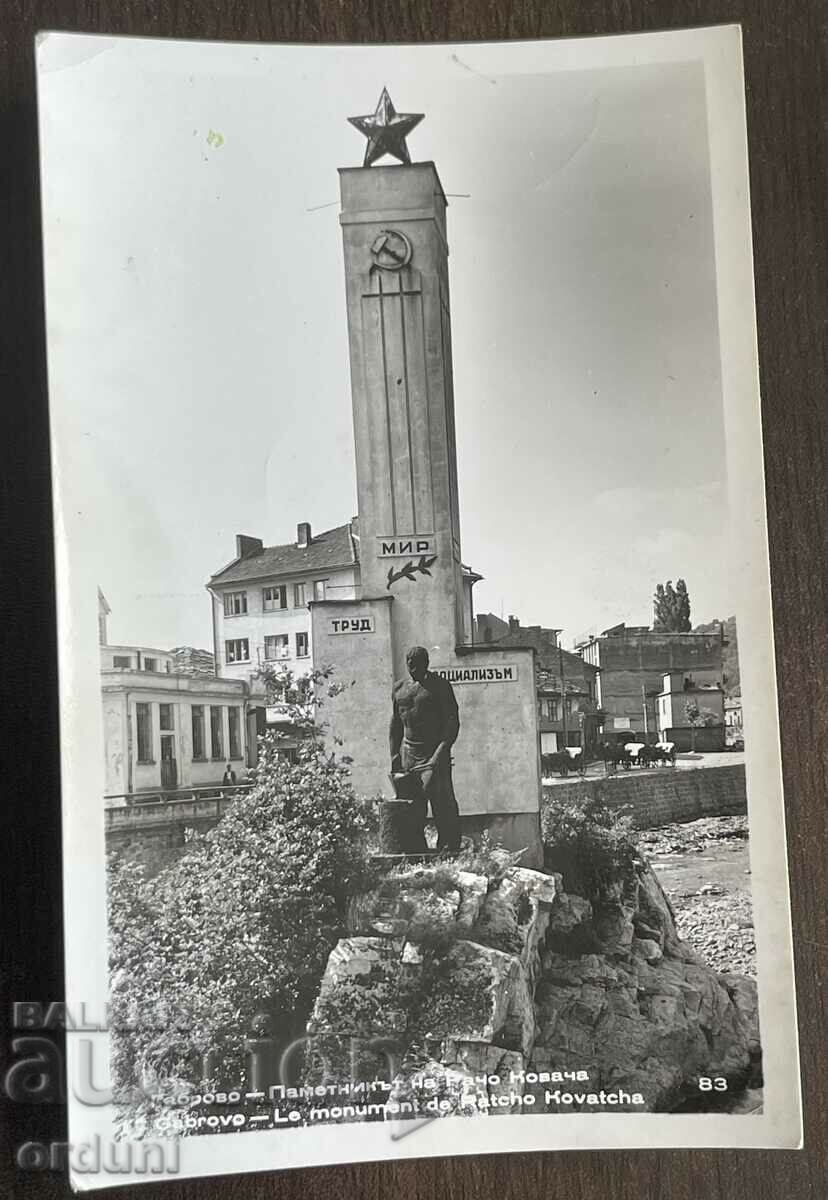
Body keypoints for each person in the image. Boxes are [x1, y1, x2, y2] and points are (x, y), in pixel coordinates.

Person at [389, 645, 461, 853]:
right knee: (412, 806)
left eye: (417, 663)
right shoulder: (399, 689)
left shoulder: (440, 686)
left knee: (443, 804)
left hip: (433, 754)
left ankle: (449, 852)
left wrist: (440, 753)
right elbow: (395, 725)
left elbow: (452, 723)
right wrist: (394, 755)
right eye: (409, 662)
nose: (412, 666)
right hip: (408, 754)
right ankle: (414, 851)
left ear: (426, 664)